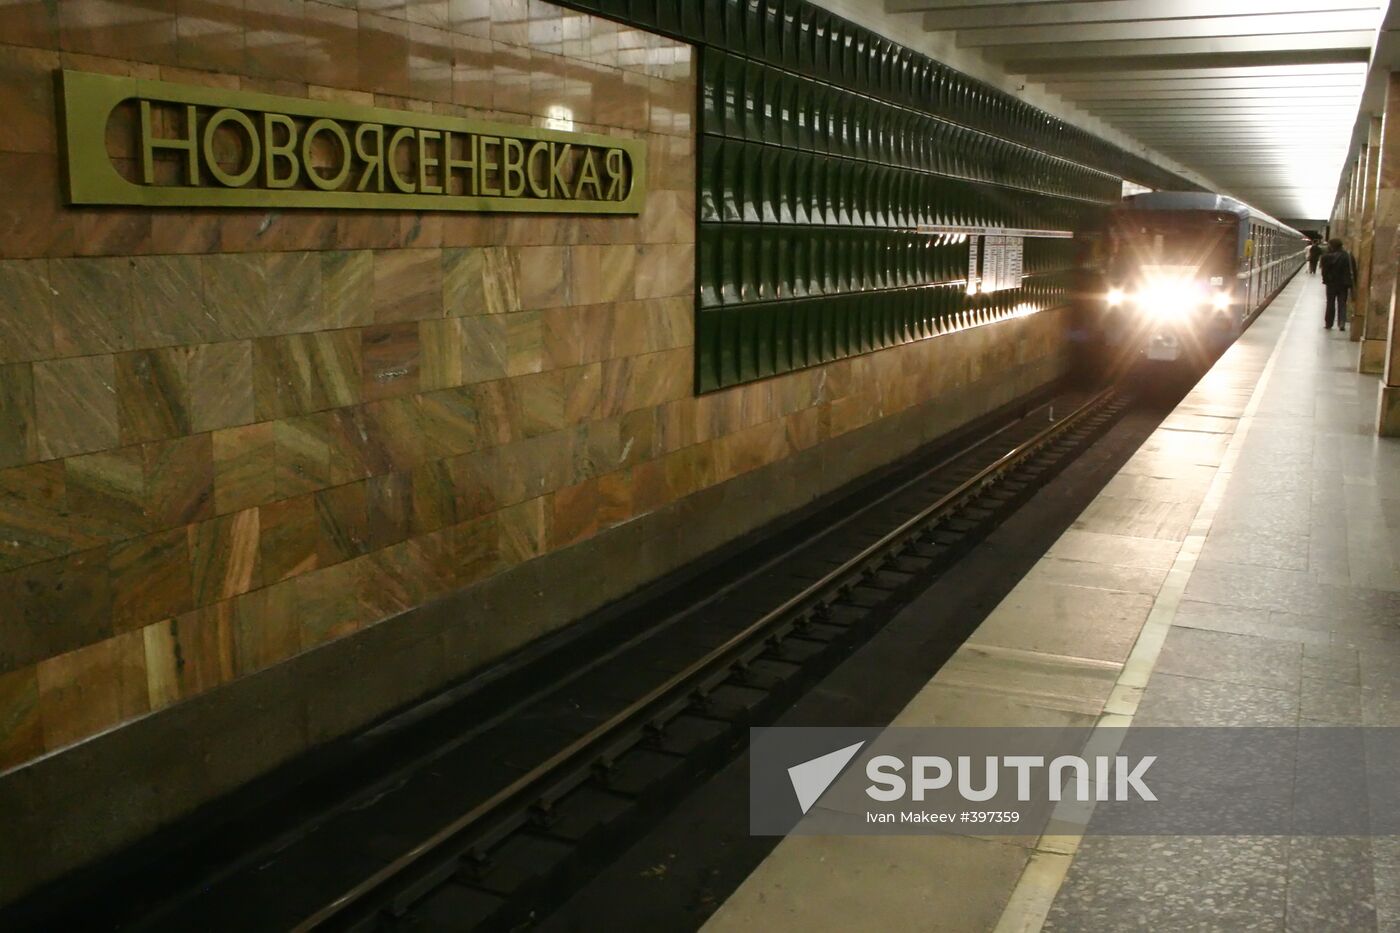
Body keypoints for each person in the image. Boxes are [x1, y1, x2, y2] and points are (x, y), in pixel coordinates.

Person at [1319, 238, 1357, 331]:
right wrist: (1353, 283)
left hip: (1331, 284)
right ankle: (1341, 323)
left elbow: (1324, 271)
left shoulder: (1326, 257)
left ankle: (1329, 323)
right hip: (1344, 284)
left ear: (1331, 246)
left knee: (1330, 303)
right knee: (1342, 303)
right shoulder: (1348, 256)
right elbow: (1354, 270)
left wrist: (1326, 279)